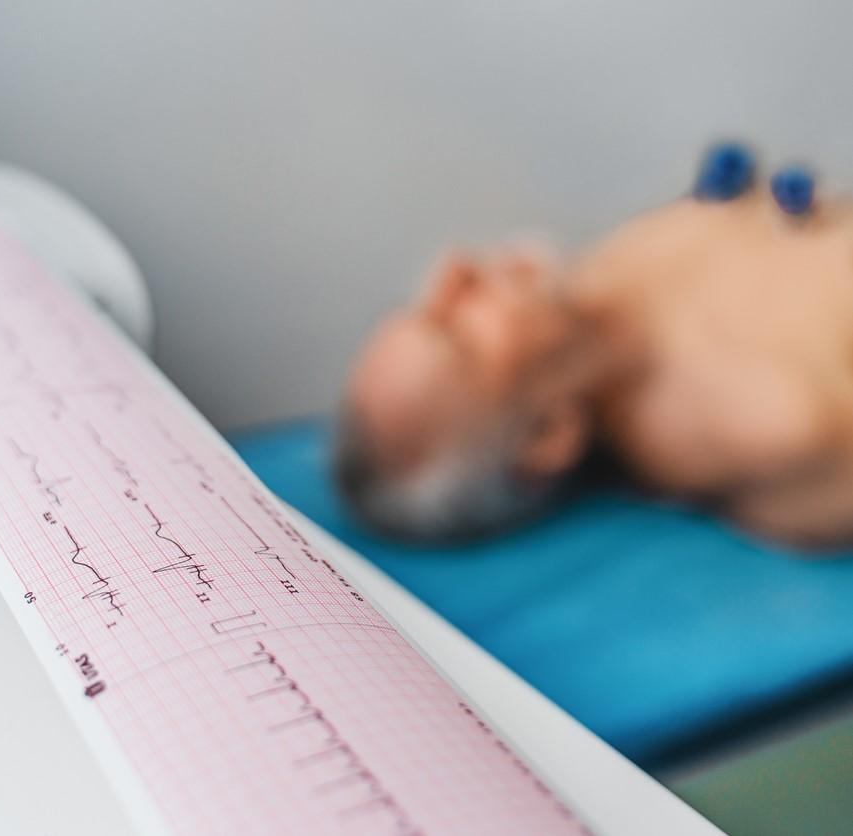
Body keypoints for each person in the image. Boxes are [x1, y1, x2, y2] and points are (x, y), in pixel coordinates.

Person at [337, 143, 853, 548]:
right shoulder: (761, 418)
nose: (454, 270)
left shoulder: (596, 282)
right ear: (548, 434)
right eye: (456, 333)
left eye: (424, 302)